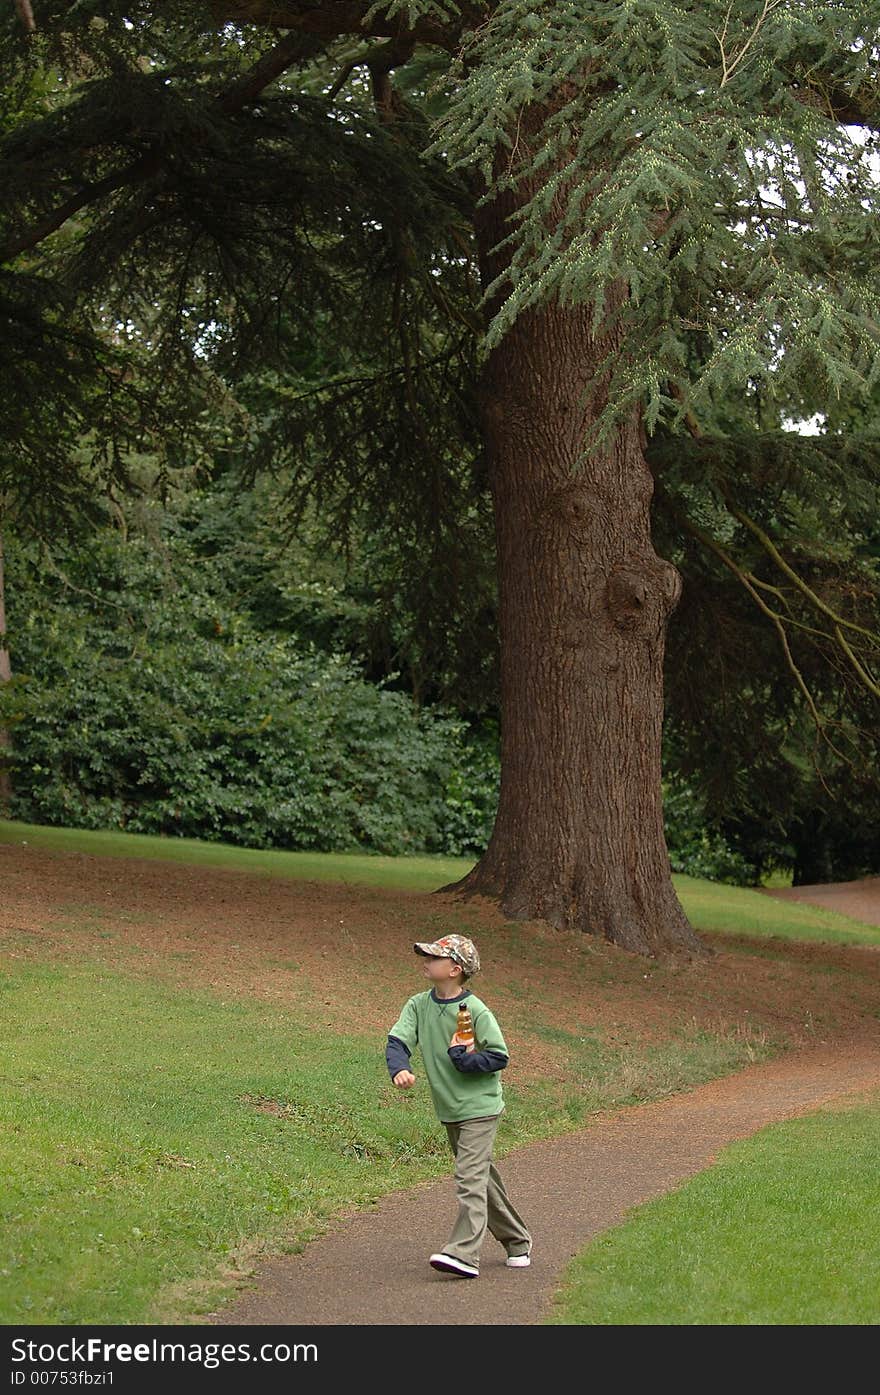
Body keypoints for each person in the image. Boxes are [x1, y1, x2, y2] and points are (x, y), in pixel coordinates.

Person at [385, 932, 532, 1279]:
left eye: (434, 957)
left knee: (469, 1176)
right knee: (482, 1178)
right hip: (450, 1108)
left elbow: (498, 1056)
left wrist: (466, 1062)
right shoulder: (418, 1005)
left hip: (480, 1108)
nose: (426, 960)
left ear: (454, 969)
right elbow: (397, 1041)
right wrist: (400, 1068)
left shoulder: (475, 1010)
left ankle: (464, 1253)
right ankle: (517, 1241)